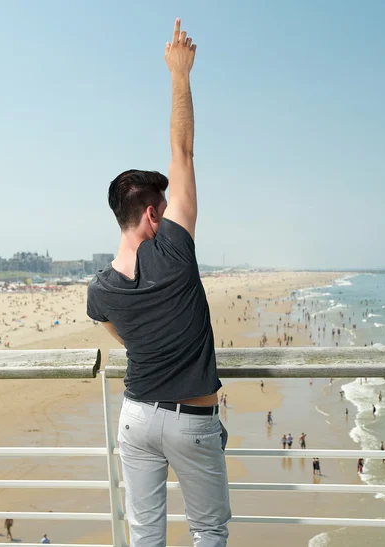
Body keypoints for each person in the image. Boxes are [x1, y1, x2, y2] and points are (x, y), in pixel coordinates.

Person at [86, 19, 230, 547]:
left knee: (146, 537)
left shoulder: (99, 289)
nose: (172, 215)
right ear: (151, 214)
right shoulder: (172, 248)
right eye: (165, 209)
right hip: (191, 420)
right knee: (209, 530)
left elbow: (120, 336)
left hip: (137, 416)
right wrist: (180, 74)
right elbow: (183, 152)